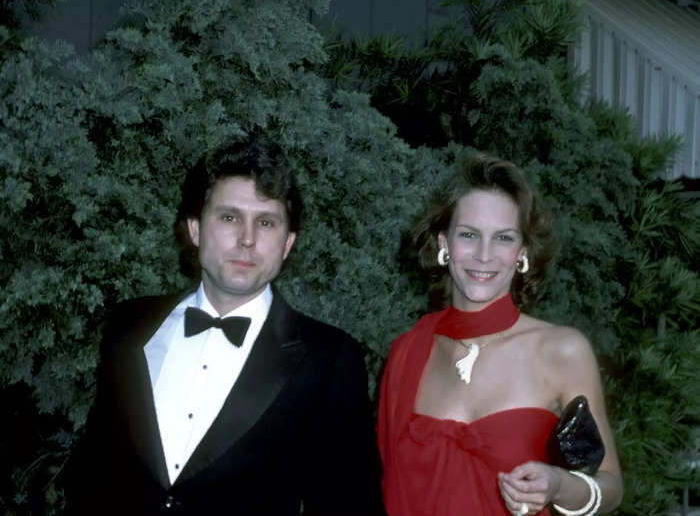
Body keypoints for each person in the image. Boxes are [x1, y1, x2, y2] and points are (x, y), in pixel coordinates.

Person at [66, 136, 385, 515]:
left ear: (287, 244)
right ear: (196, 228)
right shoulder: (129, 326)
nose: (247, 239)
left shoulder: (330, 360)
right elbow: (94, 474)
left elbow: (350, 504)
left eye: (266, 222)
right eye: (229, 217)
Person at [377, 154, 623, 516]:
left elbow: (611, 488)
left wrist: (558, 485)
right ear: (444, 243)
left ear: (522, 253)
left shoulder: (562, 351)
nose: (484, 255)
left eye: (503, 238)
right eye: (469, 235)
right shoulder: (407, 353)